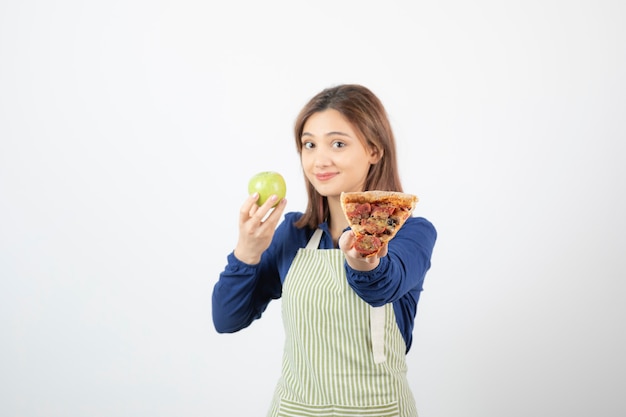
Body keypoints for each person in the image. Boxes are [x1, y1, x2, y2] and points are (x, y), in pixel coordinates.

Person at [212, 84, 437, 417]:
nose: (319, 160)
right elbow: (227, 319)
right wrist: (247, 251)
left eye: (338, 143)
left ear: (374, 150)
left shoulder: (410, 234)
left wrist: (365, 262)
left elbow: (384, 285)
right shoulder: (292, 234)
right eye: (309, 144)